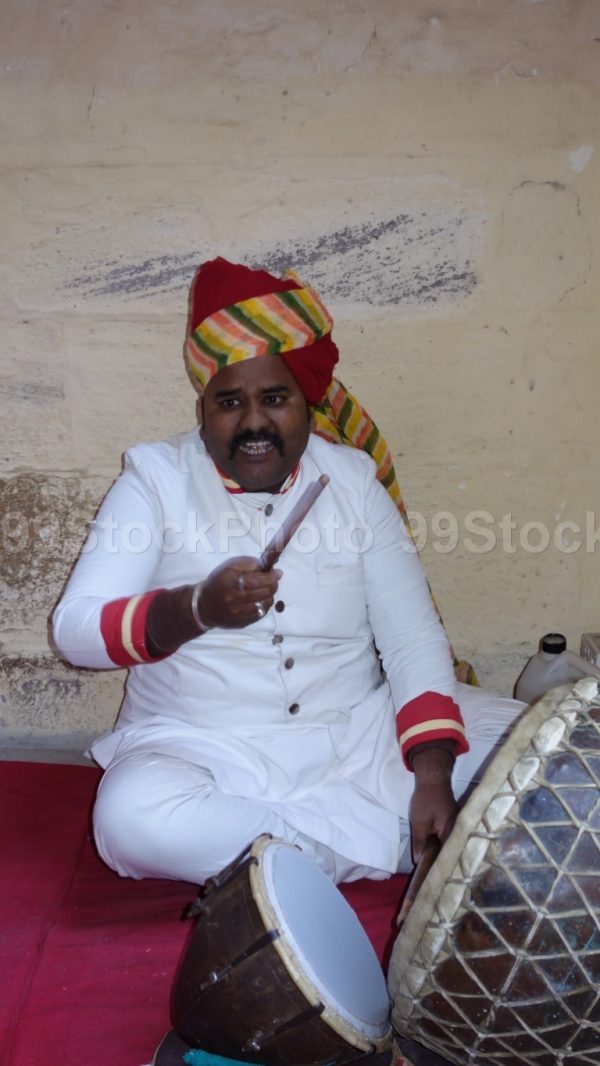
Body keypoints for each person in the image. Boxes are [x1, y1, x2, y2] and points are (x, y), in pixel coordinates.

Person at [53, 257, 523, 888]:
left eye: (275, 399)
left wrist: (432, 778)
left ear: (308, 402)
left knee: (540, 748)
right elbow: (75, 631)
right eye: (230, 402)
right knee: (131, 822)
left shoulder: (352, 480)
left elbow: (411, 640)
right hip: (202, 749)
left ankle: (279, 863)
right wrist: (195, 609)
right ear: (204, 405)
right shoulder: (155, 479)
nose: (253, 422)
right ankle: (382, 847)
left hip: (355, 737)